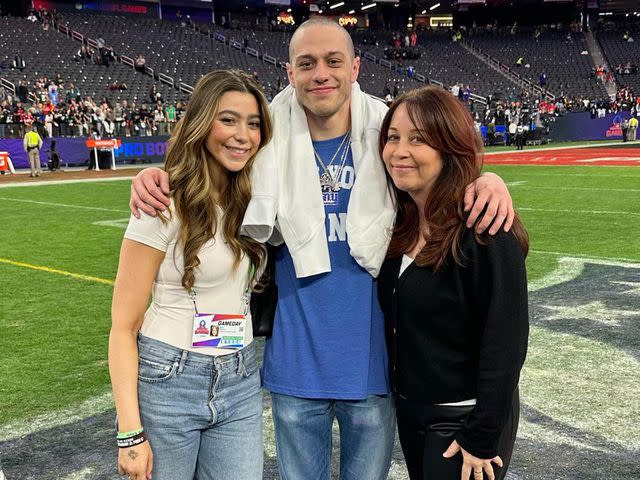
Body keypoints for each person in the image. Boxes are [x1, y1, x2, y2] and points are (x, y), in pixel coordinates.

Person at [129, 18, 515, 480]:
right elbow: (207, 163)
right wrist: (154, 174)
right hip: (295, 369)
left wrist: (487, 179)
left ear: (355, 68)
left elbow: (439, 166)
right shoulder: (263, 147)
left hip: (374, 371)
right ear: (289, 73)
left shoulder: (386, 138)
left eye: (333, 61)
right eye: (306, 63)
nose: (321, 74)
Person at [109, 70, 272, 480]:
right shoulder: (161, 202)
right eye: (228, 119)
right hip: (170, 378)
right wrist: (129, 434)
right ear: (201, 123)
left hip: (239, 377)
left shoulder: (254, 199)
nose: (243, 135)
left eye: (253, 124)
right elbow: (122, 326)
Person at [377, 85, 528, 480]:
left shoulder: (485, 229)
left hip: (465, 419)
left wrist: (482, 434)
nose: (399, 151)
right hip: (412, 413)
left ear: (448, 146)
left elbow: (507, 339)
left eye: (418, 139)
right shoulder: (398, 224)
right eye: (393, 137)